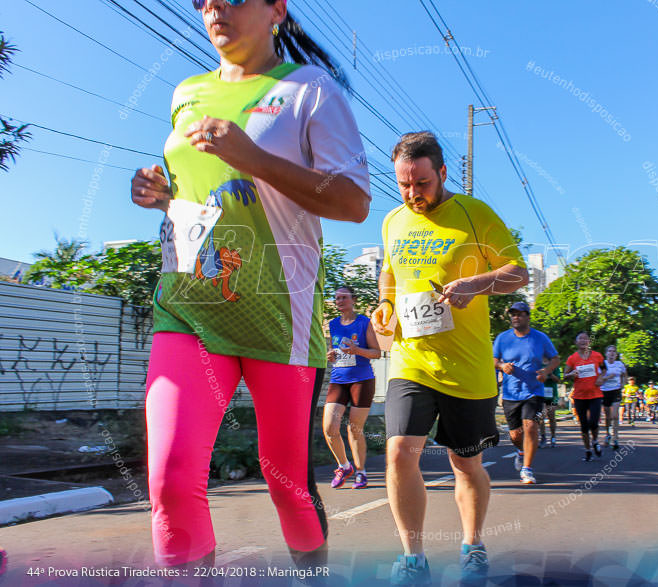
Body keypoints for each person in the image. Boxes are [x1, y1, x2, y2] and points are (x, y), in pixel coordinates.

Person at [130, 0, 370, 570]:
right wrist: (162, 193)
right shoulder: (185, 93)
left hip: (278, 314)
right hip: (189, 307)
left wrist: (253, 157)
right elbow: (203, 191)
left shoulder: (311, 90)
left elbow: (354, 201)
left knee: (284, 479)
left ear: (276, 11)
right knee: (170, 476)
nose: (214, 7)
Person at [371, 132, 528, 585]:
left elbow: (518, 272)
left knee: (466, 463)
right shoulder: (393, 221)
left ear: (441, 173)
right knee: (400, 451)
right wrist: (385, 304)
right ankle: (412, 557)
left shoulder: (474, 214)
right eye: (403, 184)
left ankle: (473, 544)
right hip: (411, 359)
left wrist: (475, 285)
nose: (412, 194)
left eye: (420, 183)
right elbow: (389, 272)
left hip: (467, 366)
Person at [494, 302, 560, 484]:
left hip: (534, 391)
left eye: (520, 314)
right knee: (515, 435)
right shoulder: (502, 338)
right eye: (513, 314)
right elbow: (493, 359)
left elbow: (555, 359)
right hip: (510, 392)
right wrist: (501, 365)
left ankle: (527, 469)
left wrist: (546, 372)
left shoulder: (540, 338)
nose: (516, 317)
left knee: (531, 426)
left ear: (528, 317)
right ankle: (521, 452)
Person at [324, 286, 381, 490]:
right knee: (330, 427)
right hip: (338, 379)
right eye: (337, 298)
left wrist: (357, 350)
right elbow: (334, 352)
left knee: (354, 429)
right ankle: (344, 466)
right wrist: (330, 356)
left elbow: (377, 353)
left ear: (353, 300)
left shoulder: (364, 322)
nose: (339, 301)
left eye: (344, 297)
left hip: (362, 380)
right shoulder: (332, 324)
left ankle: (361, 472)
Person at [563, 332, 606, 461]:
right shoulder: (572, 358)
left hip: (595, 394)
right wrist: (572, 374)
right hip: (580, 396)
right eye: (580, 338)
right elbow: (564, 375)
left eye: (585, 339)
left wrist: (600, 377)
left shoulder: (597, 356)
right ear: (576, 342)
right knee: (583, 425)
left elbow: (604, 369)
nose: (583, 341)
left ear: (589, 342)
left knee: (593, 422)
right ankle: (587, 450)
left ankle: (595, 441)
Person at [598, 345, 627, 450]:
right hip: (604, 391)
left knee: (615, 415)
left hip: (616, 391)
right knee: (608, 416)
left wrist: (623, 384)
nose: (612, 353)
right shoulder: (602, 364)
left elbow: (624, 375)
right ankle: (608, 434)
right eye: (609, 351)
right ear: (606, 353)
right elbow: (598, 379)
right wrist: (607, 377)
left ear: (616, 354)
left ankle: (615, 438)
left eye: (614, 351)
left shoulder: (619, 364)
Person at [538, 362, 562, 448]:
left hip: (552, 395)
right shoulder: (538, 364)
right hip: (540, 393)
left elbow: (558, 380)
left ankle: (553, 436)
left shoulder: (554, 364)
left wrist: (550, 374)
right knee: (541, 416)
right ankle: (543, 437)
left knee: (551, 416)